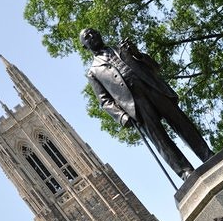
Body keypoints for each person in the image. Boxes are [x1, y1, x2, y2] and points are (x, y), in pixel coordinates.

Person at [79, 28, 214, 180]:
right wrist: (122, 116)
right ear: (85, 46)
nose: (92, 36)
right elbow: (104, 101)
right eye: (87, 36)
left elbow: (155, 67)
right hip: (135, 105)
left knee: (182, 123)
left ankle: (206, 155)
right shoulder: (93, 72)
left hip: (153, 88)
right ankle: (185, 172)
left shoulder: (123, 48)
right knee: (160, 139)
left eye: (93, 32)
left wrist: (138, 54)